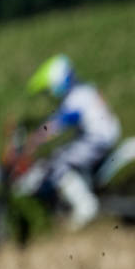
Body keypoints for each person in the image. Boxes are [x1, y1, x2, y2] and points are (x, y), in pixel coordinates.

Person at [25, 54, 120, 229]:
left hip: (97, 141)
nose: (50, 95)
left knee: (58, 163)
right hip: (103, 136)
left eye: (49, 90)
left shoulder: (76, 98)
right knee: (61, 154)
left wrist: (35, 140)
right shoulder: (84, 91)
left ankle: (85, 207)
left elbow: (57, 123)